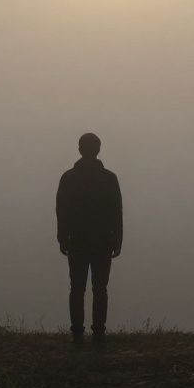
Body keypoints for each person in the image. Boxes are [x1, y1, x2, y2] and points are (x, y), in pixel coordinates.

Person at [56, 132, 123, 347]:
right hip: (103, 240)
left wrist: (62, 236)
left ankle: (77, 333)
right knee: (99, 288)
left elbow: (61, 210)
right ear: (98, 149)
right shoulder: (108, 178)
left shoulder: (69, 177)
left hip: (76, 239)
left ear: (79, 149)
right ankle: (98, 333)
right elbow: (116, 211)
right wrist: (118, 238)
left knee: (77, 287)